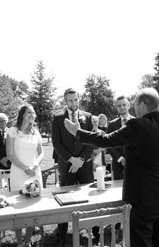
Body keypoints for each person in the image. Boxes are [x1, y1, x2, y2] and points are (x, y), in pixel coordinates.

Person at [64, 88, 159, 247]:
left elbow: (106, 140)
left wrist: (78, 132)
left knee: (142, 240)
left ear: (143, 105)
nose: (134, 108)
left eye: (136, 103)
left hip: (142, 196)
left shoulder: (138, 126)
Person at [51, 88, 95, 245]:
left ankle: (93, 229)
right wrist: (71, 160)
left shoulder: (88, 117)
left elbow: (91, 141)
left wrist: (81, 160)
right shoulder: (57, 119)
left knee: (89, 196)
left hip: (84, 166)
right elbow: (56, 143)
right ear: (65, 101)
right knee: (64, 197)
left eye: (76, 99)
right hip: (67, 165)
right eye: (70, 100)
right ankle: (61, 232)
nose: (74, 103)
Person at [6, 104, 44, 247]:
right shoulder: (12, 131)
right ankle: (19, 241)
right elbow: (10, 155)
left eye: (33, 113)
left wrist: (34, 166)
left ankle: (28, 241)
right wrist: (25, 168)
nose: (32, 115)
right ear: (22, 114)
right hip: (18, 171)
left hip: (34, 172)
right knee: (18, 204)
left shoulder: (36, 132)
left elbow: (41, 153)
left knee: (32, 206)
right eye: (29, 112)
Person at [107, 96, 135, 180]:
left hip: (135, 164)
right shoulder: (112, 124)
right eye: (119, 106)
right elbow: (109, 144)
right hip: (118, 165)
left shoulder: (137, 122)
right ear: (116, 108)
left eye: (124, 104)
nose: (122, 107)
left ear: (129, 105)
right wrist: (121, 159)